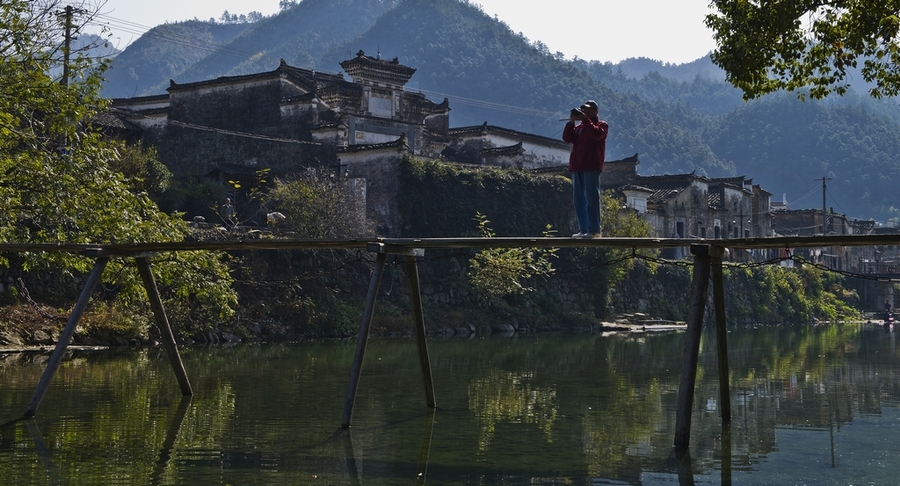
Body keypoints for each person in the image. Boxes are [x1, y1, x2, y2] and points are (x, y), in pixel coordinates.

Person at [562, 100, 608, 237]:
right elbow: (567, 138)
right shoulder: (579, 128)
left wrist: (585, 121)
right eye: (584, 110)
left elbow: (597, 134)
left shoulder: (602, 125)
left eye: (589, 110)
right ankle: (584, 230)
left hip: (591, 166)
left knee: (592, 198)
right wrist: (571, 122)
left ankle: (594, 230)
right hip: (577, 167)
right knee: (578, 200)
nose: (586, 112)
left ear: (596, 111)